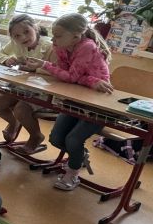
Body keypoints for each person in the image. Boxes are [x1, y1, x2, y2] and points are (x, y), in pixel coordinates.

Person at [25, 13, 113, 191]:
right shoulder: (61, 47)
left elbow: (71, 77)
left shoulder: (87, 47)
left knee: (73, 140)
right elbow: (68, 77)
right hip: (76, 98)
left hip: (98, 104)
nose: (53, 40)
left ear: (76, 37)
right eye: (53, 35)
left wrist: (44, 65)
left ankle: (72, 173)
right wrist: (88, 80)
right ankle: (78, 156)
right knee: (56, 138)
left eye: (58, 36)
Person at [0, 14, 55, 154]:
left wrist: (35, 69)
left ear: (35, 28)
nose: (23, 37)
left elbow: (57, 71)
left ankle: (36, 136)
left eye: (26, 32)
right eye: (17, 36)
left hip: (43, 91)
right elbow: (0, 54)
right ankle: (14, 123)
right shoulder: (15, 43)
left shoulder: (49, 46)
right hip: (22, 86)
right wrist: (7, 60)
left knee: (21, 109)